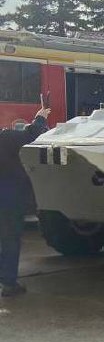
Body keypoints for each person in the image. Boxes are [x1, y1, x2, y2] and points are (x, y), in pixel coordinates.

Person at [0, 108, 50, 298]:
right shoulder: (6, 138)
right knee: (10, 239)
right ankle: (8, 283)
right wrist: (40, 117)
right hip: (10, 199)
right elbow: (31, 135)